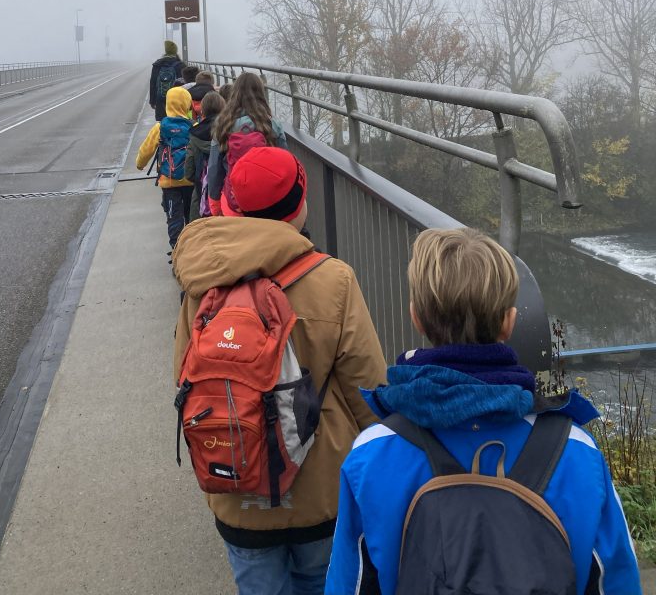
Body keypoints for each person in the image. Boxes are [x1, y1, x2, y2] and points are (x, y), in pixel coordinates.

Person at [325, 228, 641, 595]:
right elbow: (615, 579)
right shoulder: (575, 450)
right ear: (509, 321)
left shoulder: (372, 453)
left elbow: (351, 583)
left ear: (417, 318)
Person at [173, 148, 386, 595]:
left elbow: (184, 377)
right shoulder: (334, 280)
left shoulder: (202, 282)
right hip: (321, 493)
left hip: (235, 485)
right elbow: (367, 391)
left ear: (231, 205)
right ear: (300, 203)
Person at [206, 71, 288, 217]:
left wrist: (215, 202)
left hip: (234, 204)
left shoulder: (222, 125)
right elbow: (286, 165)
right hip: (268, 203)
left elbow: (214, 170)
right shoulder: (272, 125)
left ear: (234, 94)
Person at [136, 86, 194, 259]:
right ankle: (193, 251)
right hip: (191, 181)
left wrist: (140, 165)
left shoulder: (160, 127)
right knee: (190, 217)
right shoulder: (194, 126)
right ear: (187, 104)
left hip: (169, 182)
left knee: (173, 217)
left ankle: (177, 252)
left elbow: (146, 150)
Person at [184, 90, 225, 223]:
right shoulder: (228, 130)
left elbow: (189, 172)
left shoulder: (194, 135)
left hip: (202, 195)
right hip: (225, 196)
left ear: (202, 111)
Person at [149, 41, 185, 121]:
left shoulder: (157, 64)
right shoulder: (181, 65)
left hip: (160, 99)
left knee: (162, 124)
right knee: (177, 124)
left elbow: (153, 83)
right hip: (176, 100)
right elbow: (185, 84)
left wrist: (152, 101)